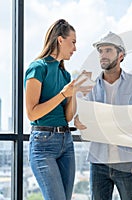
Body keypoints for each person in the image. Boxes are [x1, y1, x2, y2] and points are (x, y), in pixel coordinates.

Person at [74, 32, 132, 200]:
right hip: (98, 162)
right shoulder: (89, 85)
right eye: (100, 51)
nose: (103, 55)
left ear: (121, 55)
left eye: (108, 51)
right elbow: (79, 114)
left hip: (128, 161)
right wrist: (78, 120)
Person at [24, 19, 90, 200]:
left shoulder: (65, 74)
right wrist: (62, 94)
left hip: (66, 142)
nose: (75, 48)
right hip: (43, 144)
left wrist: (73, 93)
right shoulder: (37, 68)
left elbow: (67, 116)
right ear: (60, 40)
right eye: (73, 42)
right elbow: (32, 113)